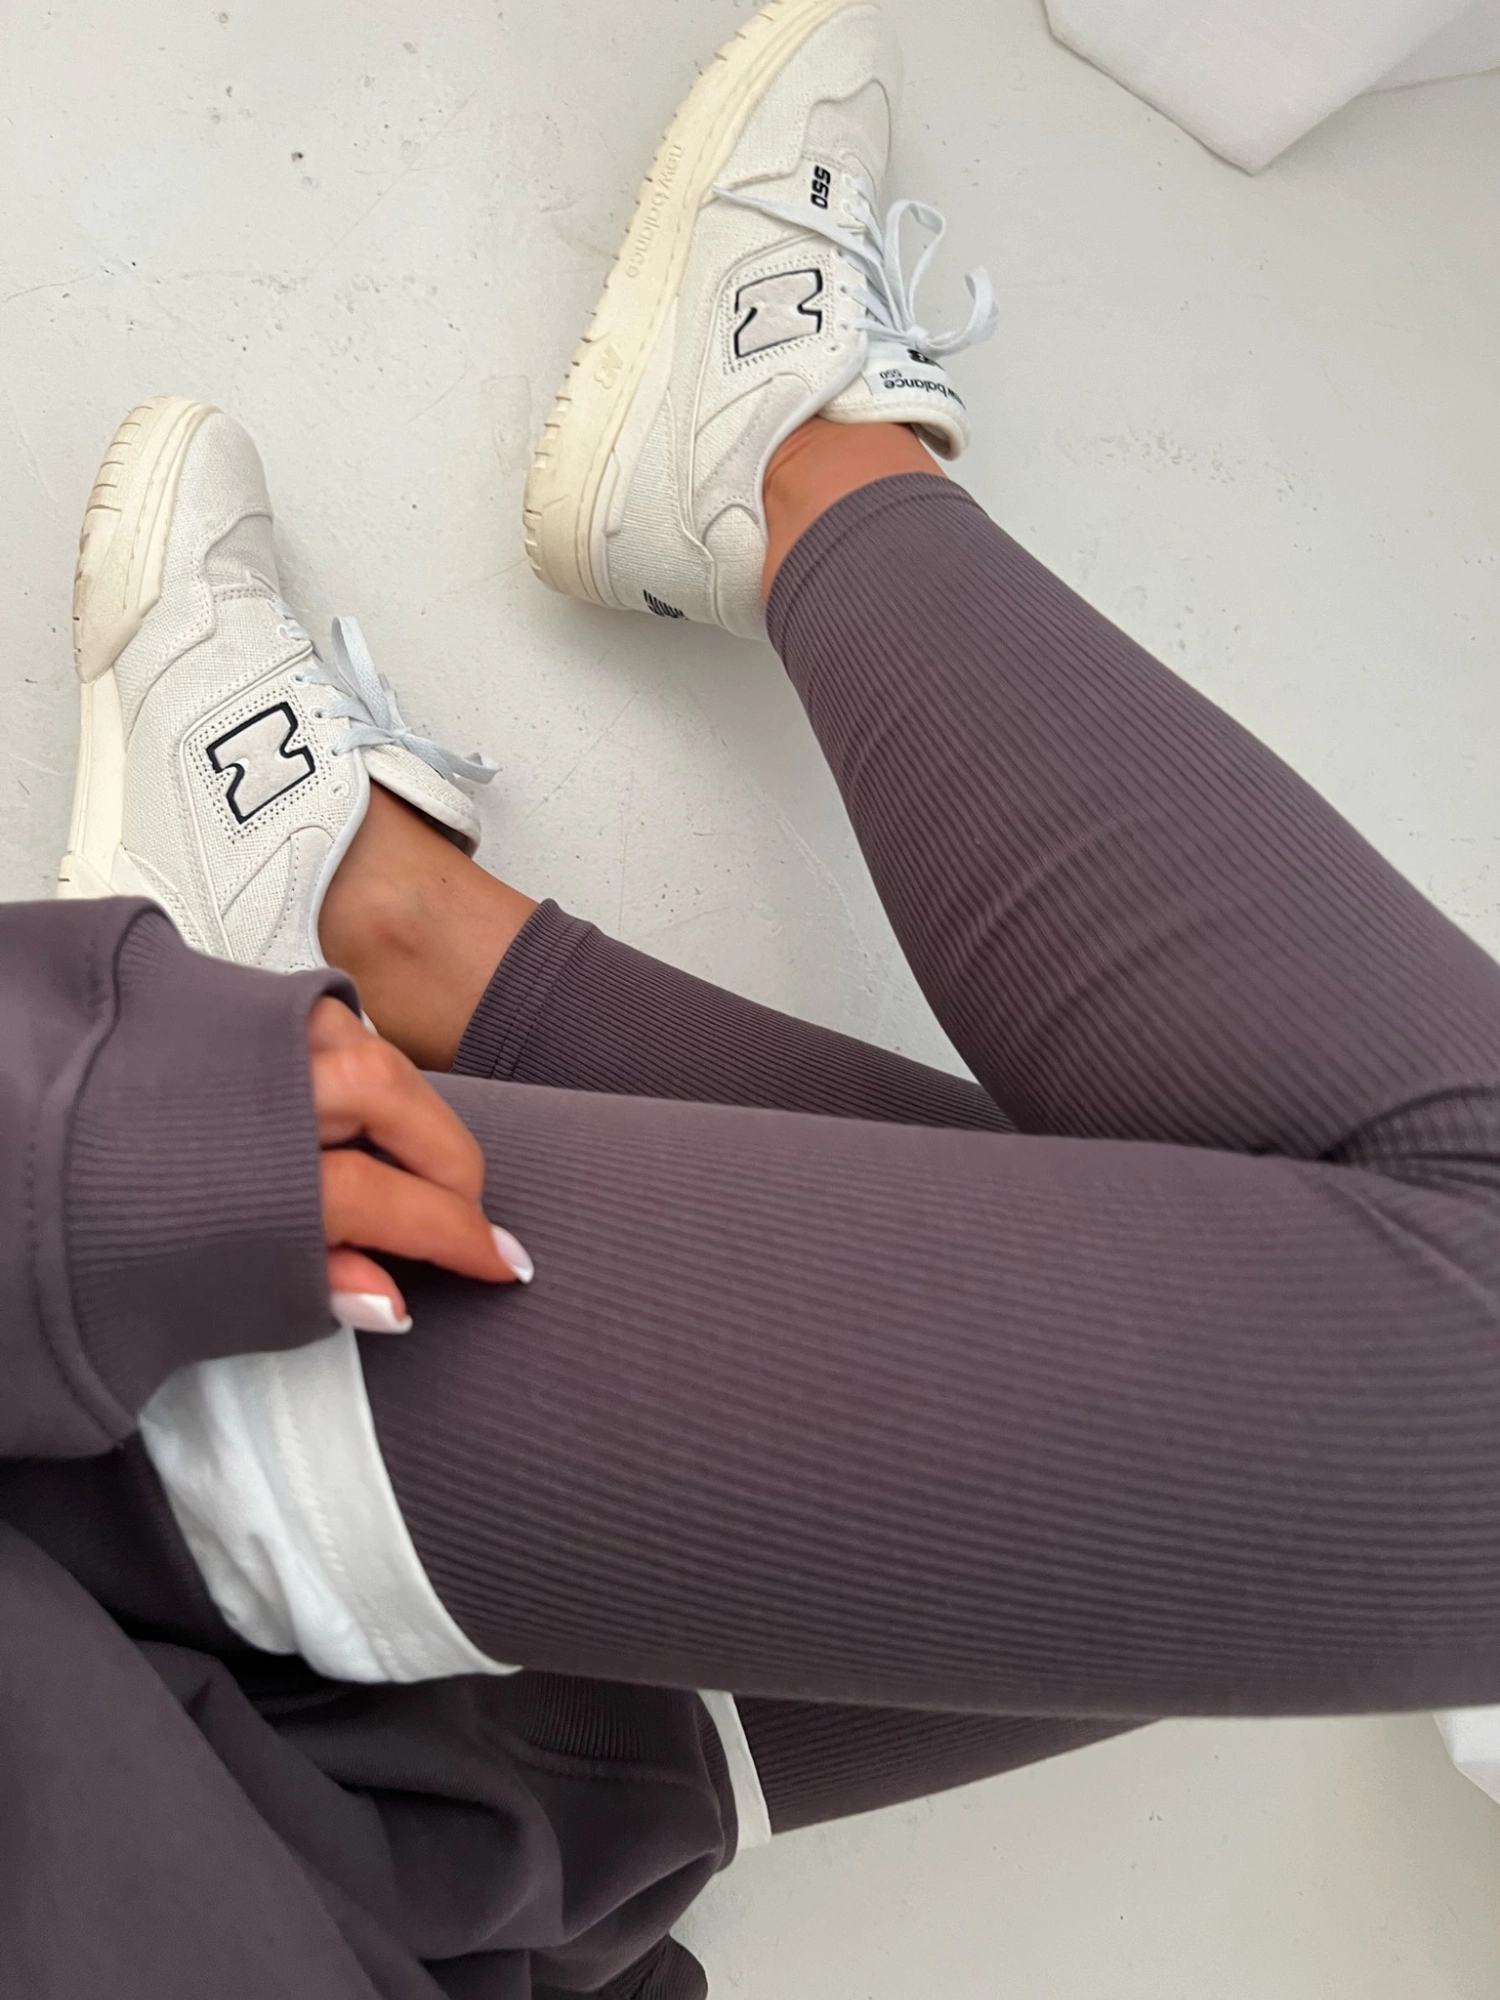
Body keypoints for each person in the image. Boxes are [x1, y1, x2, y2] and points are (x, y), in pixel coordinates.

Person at [4, 1, 1500, 1994]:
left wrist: (42, 1165)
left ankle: (748, 507)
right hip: (391, 1860)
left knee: (1409, 1415)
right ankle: (474, 831)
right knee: (1344, 1399)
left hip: (139, 1621)